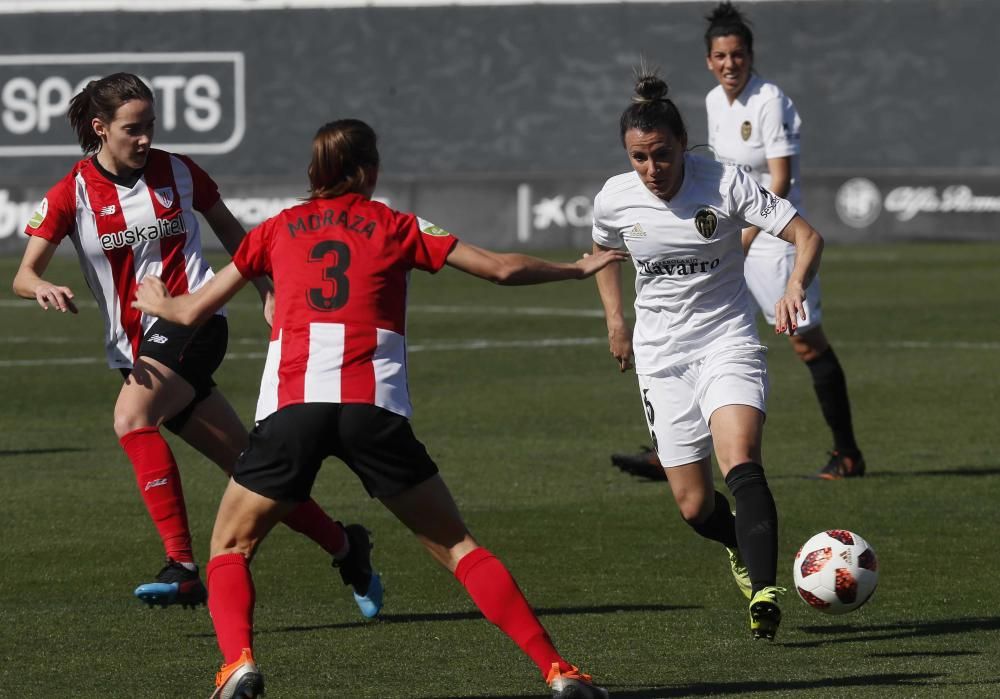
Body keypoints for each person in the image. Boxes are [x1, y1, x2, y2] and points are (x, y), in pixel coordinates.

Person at [132, 118, 619, 699]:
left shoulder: (276, 229)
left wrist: (160, 299)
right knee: (460, 547)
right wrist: (576, 267)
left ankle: (237, 664)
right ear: (366, 171)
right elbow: (501, 269)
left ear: (316, 172)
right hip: (374, 409)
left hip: (295, 408)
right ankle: (557, 671)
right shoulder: (395, 224)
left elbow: (189, 314)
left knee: (230, 549)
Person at [12, 73, 379, 616]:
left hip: (197, 318)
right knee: (251, 471)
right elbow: (23, 274)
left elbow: (237, 236)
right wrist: (42, 285)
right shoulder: (72, 193)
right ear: (100, 129)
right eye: (132, 129)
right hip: (136, 349)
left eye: (150, 126)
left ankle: (182, 567)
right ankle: (347, 547)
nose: (145, 139)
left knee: (132, 417)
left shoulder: (180, 171)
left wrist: (264, 289)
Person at [592, 73, 824, 640]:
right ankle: (738, 546)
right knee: (695, 507)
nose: (652, 169)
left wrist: (794, 285)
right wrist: (616, 321)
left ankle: (766, 593)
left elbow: (807, 235)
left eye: (662, 155)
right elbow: (602, 251)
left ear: (682, 143)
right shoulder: (614, 198)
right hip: (661, 356)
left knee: (741, 458)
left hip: (727, 339)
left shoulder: (725, 182)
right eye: (639, 158)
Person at [612, 2, 864, 482]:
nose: (730, 64)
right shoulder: (712, 102)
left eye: (738, 54)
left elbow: (781, 180)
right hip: (731, 237)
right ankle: (675, 451)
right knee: (699, 332)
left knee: (807, 344)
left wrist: (744, 236)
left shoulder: (770, 101)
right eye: (721, 56)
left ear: (750, 55)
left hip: (772, 242)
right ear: (709, 60)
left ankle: (848, 453)